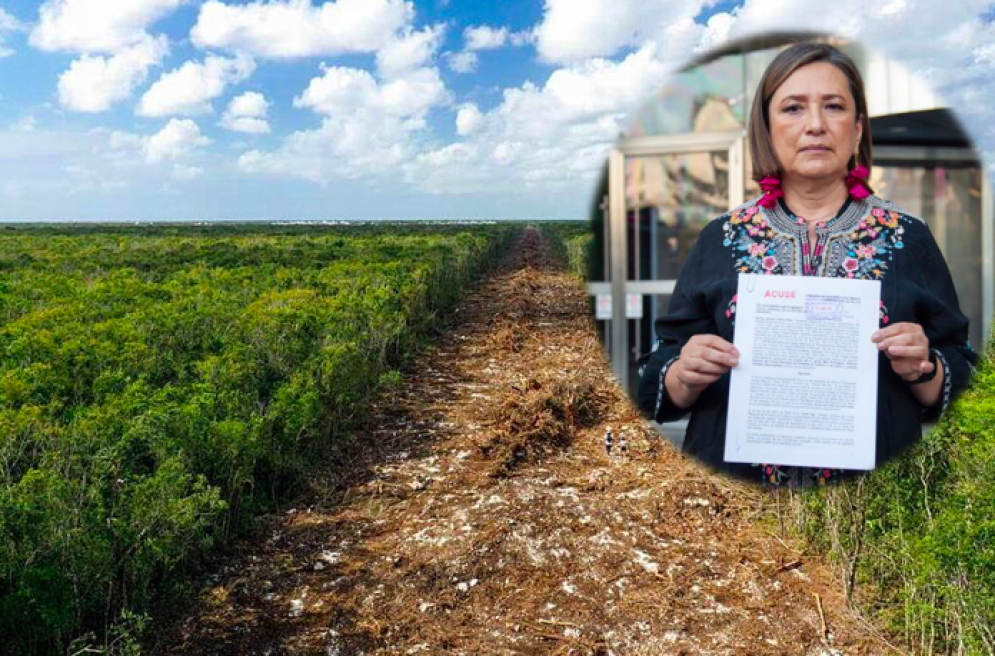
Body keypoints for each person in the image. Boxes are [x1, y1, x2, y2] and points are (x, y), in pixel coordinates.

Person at [636, 41, 979, 487]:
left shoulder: (907, 237)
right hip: (734, 497)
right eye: (793, 108)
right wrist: (683, 372)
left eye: (834, 107)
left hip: (870, 503)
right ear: (766, 128)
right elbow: (656, 374)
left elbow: (964, 372)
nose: (815, 125)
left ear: (856, 131)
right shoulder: (721, 237)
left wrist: (926, 368)